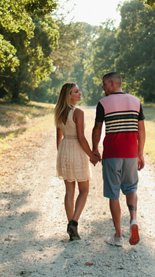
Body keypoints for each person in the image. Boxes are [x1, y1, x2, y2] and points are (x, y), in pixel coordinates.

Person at [91, 72, 145, 247]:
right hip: (130, 153)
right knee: (131, 188)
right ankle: (133, 219)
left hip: (112, 154)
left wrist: (94, 149)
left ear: (112, 84)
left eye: (104, 84)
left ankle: (118, 236)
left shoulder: (103, 103)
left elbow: (97, 129)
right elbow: (141, 130)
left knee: (113, 194)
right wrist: (140, 153)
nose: (102, 87)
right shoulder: (136, 101)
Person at [55, 82, 100, 241]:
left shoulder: (59, 111)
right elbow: (81, 138)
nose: (79, 93)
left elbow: (58, 137)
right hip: (76, 149)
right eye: (76, 91)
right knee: (84, 190)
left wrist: (61, 154)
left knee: (69, 191)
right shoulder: (78, 113)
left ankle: (70, 225)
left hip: (65, 149)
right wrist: (92, 155)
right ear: (69, 95)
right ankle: (74, 222)